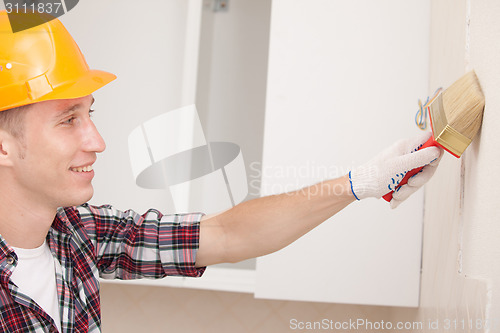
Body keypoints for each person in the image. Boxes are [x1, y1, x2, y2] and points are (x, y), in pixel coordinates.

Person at [0, 10, 442, 333]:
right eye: (68, 119)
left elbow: (228, 235)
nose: (97, 140)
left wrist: (357, 183)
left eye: (88, 113)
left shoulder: (78, 234)